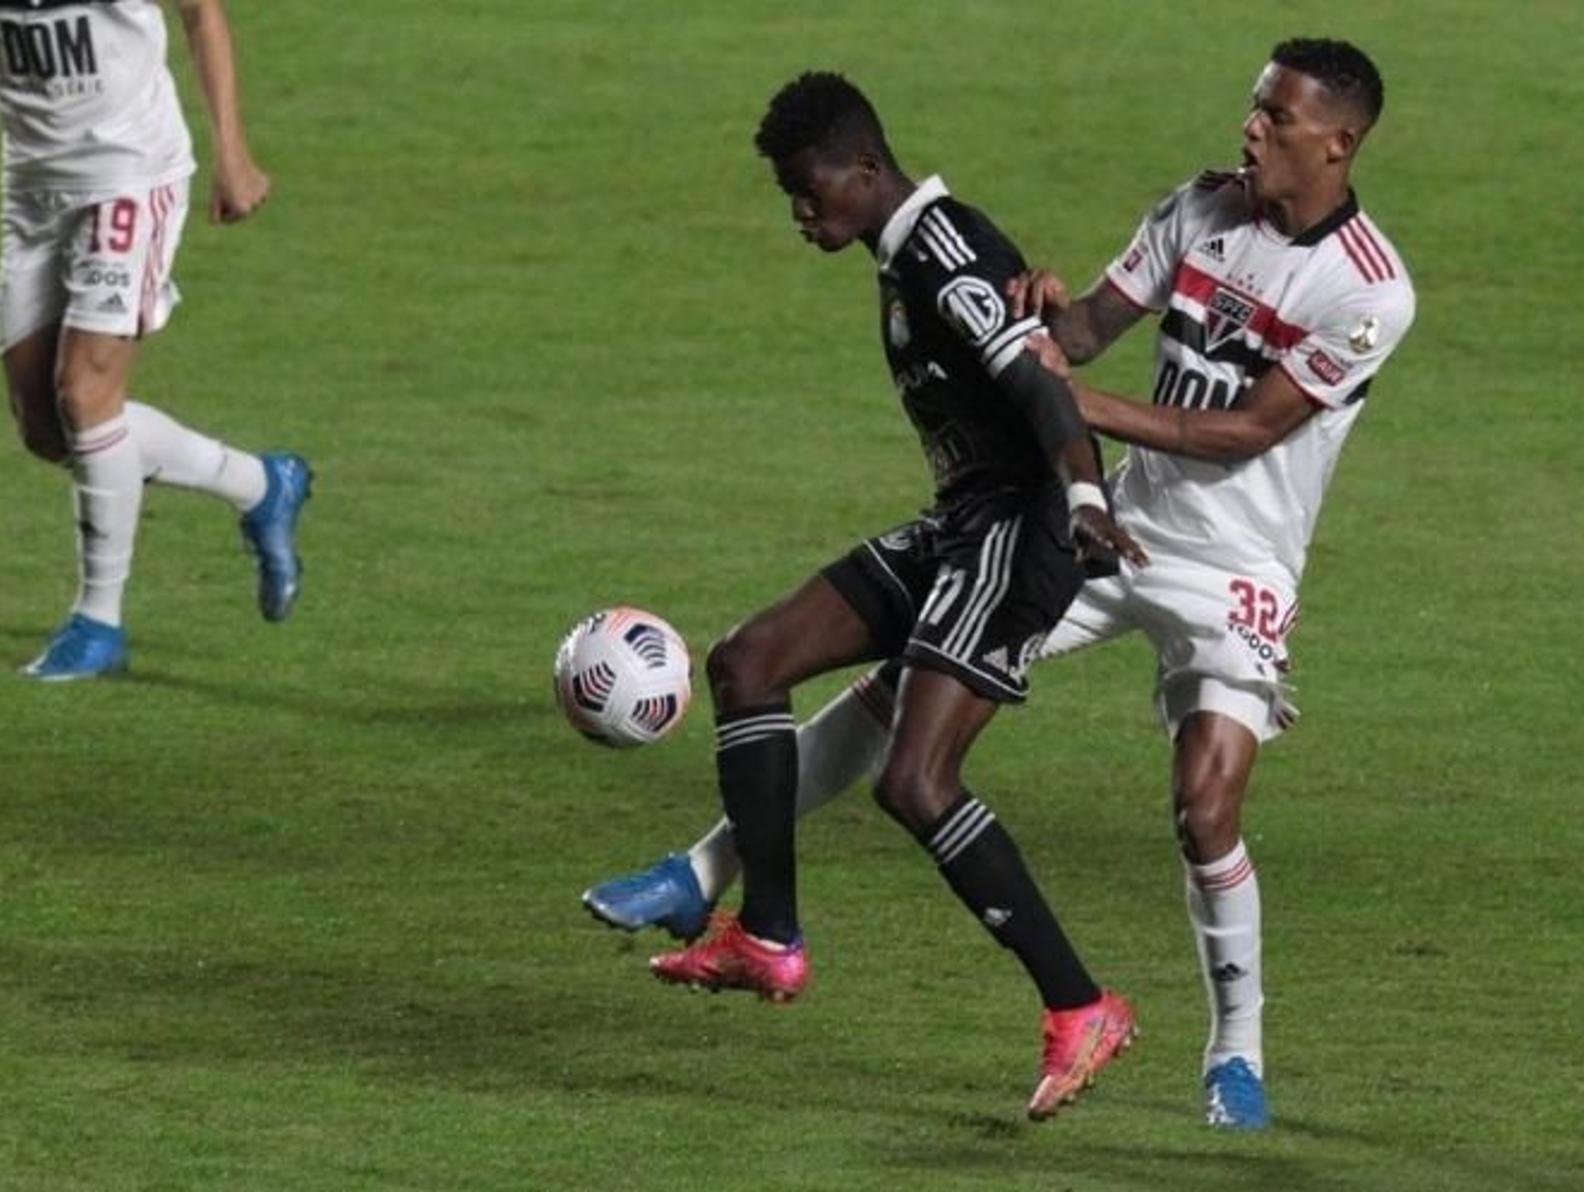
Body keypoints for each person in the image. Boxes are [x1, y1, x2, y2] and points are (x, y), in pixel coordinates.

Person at [585, 39, 1416, 1131]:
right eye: (1255, 106)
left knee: (1204, 806)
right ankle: (712, 875)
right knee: (902, 689)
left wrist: (1059, 395)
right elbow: (1077, 332)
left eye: (1275, 116)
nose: (1250, 127)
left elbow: (1243, 429)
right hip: (1119, 523)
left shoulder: (1370, 287)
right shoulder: (1200, 209)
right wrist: (1044, 320)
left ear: (1338, 140)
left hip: (1239, 566)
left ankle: (1235, 1050)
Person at [642, 70, 1148, 1122]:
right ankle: (768, 937)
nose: (800, 211)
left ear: (865, 168)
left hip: (1021, 529)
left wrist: (1086, 493)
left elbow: (1040, 378)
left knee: (916, 781)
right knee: (748, 661)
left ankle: (1081, 1003)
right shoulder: (899, 256)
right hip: (964, 522)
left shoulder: (944, 253)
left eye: (810, 187)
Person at [0, 0, 310, 680]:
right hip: (32, 188)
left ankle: (98, 622)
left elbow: (200, 12)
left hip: (130, 174)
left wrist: (232, 153)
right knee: (47, 430)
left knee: (85, 394)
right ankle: (260, 483)